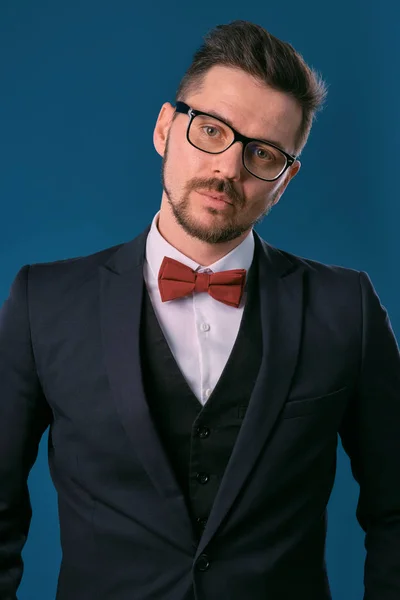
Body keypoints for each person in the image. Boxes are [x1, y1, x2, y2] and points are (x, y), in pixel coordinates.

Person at [0, 19, 399, 600]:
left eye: (263, 153)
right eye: (211, 131)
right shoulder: (44, 302)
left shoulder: (347, 309)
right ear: (166, 127)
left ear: (285, 179)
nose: (228, 169)